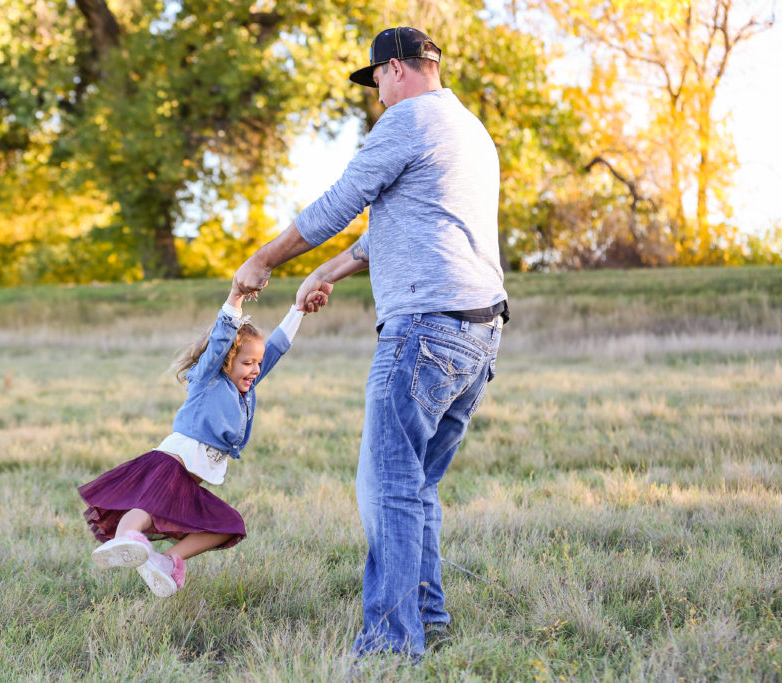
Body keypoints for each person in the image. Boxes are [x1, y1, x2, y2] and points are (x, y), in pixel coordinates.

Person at [233, 27, 508, 658]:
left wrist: (263, 260)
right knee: (416, 485)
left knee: (388, 489)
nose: (376, 95)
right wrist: (330, 270)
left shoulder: (407, 122)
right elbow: (411, 221)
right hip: (478, 334)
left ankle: (389, 647)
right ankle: (429, 620)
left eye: (376, 80)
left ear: (396, 70)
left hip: (423, 332)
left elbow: (337, 205)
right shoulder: (469, 130)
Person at [77, 283, 306, 597]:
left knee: (227, 525)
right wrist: (235, 296)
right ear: (226, 360)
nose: (255, 370)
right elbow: (222, 337)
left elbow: (276, 348)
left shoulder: (246, 386)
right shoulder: (210, 377)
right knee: (147, 507)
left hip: (189, 481)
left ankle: (166, 562)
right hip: (172, 462)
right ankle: (126, 538)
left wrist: (299, 309)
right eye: (247, 362)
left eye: (258, 364)